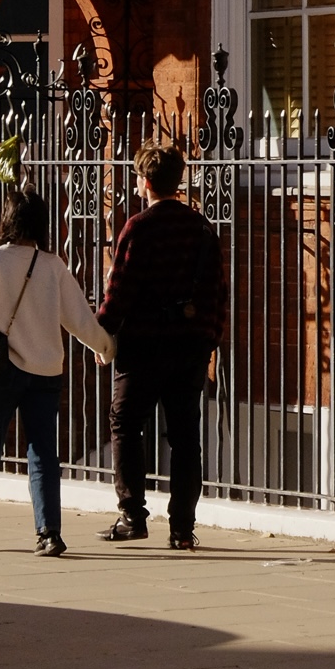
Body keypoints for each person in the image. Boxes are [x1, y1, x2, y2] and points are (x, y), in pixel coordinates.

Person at [0, 187, 115, 557]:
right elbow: (79, 318)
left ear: (7, 220)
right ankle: (49, 533)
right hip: (45, 370)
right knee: (43, 452)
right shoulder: (52, 266)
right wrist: (104, 347)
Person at [97, 139, 227, 551]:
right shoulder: (202, 228)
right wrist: (210, 337)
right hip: (190, 347)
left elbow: (120, 290)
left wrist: (101, 332)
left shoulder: (139, 228)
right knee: (186, 436)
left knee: (125, 423)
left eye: (138, 177)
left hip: (144, 346)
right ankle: (182, 528)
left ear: (146, 182)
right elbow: (218, 291)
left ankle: (132, 515)